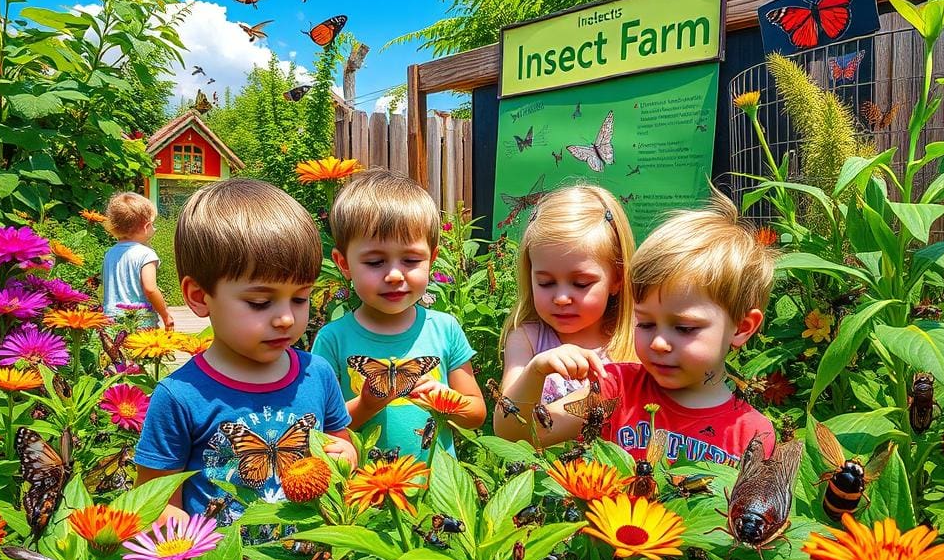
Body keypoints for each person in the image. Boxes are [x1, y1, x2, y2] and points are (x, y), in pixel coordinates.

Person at [134, 179, 356, 527]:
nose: (285, 318)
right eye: (260, 302)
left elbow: (340, 446)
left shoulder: (319, 374)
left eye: (300, 297)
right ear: (198, 296)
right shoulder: (179, 397)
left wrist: (348, 456)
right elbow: (154, 504)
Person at [536, 188, 777, 465]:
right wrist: (534, 374)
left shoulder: (755, 435)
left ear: (742, 327)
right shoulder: (615, 389)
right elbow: (523, 433)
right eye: (645, 323)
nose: (658, 343)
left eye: (684, 328)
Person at [312, 169, 486, 459]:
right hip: (363, 492)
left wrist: (444, 400)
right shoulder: (333, 339)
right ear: (344, 264)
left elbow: (477, 413)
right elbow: (319, 430)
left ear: (431, 259)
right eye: (375, 261)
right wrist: (367, 404)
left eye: (410, 260)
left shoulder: (444, 328)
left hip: (437, 493)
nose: (394, 275)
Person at [494, 184, 636, 442]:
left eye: (581, 284)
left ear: (617, 278)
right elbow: (509, 431)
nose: (561, 298)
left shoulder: (635, 341)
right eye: (546, 283)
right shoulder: (526, 338)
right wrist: (536, 371)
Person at [101, 192, 173, 329]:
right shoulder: (146, 254)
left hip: (110, 320)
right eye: (153, 224)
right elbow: (150, 289)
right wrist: (165, 315)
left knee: (117, 351)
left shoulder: (110, 253)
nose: (155, 228)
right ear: (146, 227)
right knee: (144, 351)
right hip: (140, 321)